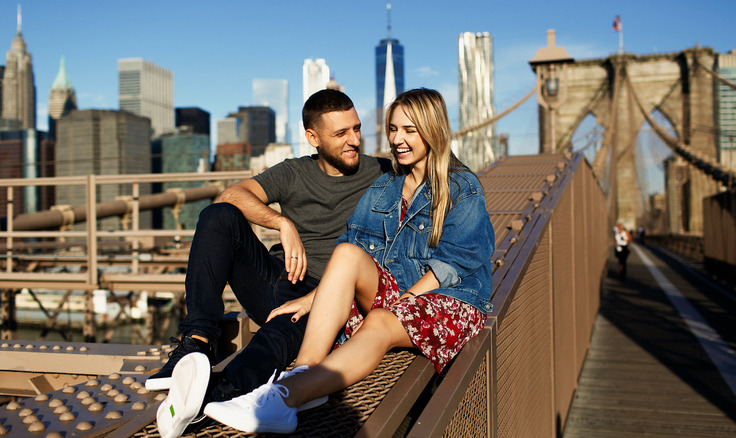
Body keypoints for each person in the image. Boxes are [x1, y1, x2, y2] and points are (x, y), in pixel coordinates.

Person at [200, 88, 495, 434]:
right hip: (398, 294)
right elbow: (353, 246)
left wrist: (408, 299)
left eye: (409, 131)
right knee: (345, 252)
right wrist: (312, 298)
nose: (397, 140)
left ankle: (282, 397)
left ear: (433, 130)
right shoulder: (384, 187)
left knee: (382, 321)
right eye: (393, 129)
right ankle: (301, 374)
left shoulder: (462, 187)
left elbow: (457, 262)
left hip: (448, 300)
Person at [153, 89, 392, 438]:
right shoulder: (294, 172)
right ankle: (199, 339)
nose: (354, 140)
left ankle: (214, 394)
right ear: (313, 137)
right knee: (218, 216)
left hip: (329, 298)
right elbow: (231, 195)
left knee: (277, 335)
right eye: (341, 134)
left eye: (356, 129)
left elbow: (435, 174)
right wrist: (282, 223)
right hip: (279, 280)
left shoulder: (383, 172)